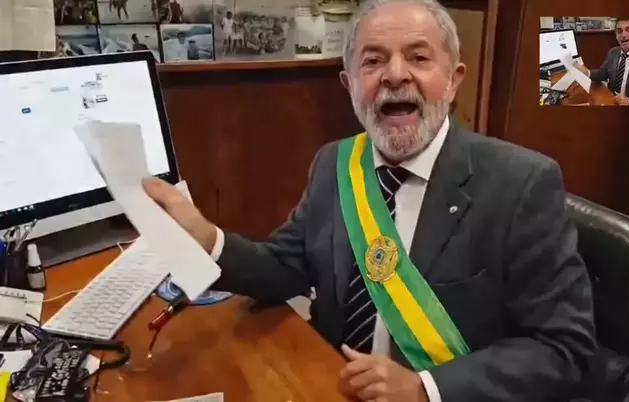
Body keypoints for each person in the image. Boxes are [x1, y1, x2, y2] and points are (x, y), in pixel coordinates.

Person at [143, 0, 596, 401]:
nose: (395, 75)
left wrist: (425, 389)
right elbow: (285, 267)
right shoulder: (334, 164)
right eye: (373, 61)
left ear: (454, 79)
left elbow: (563, 347)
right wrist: (209, 240)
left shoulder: (522, 184)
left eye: (419, 57)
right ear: (349, 84)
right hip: (329, 383)